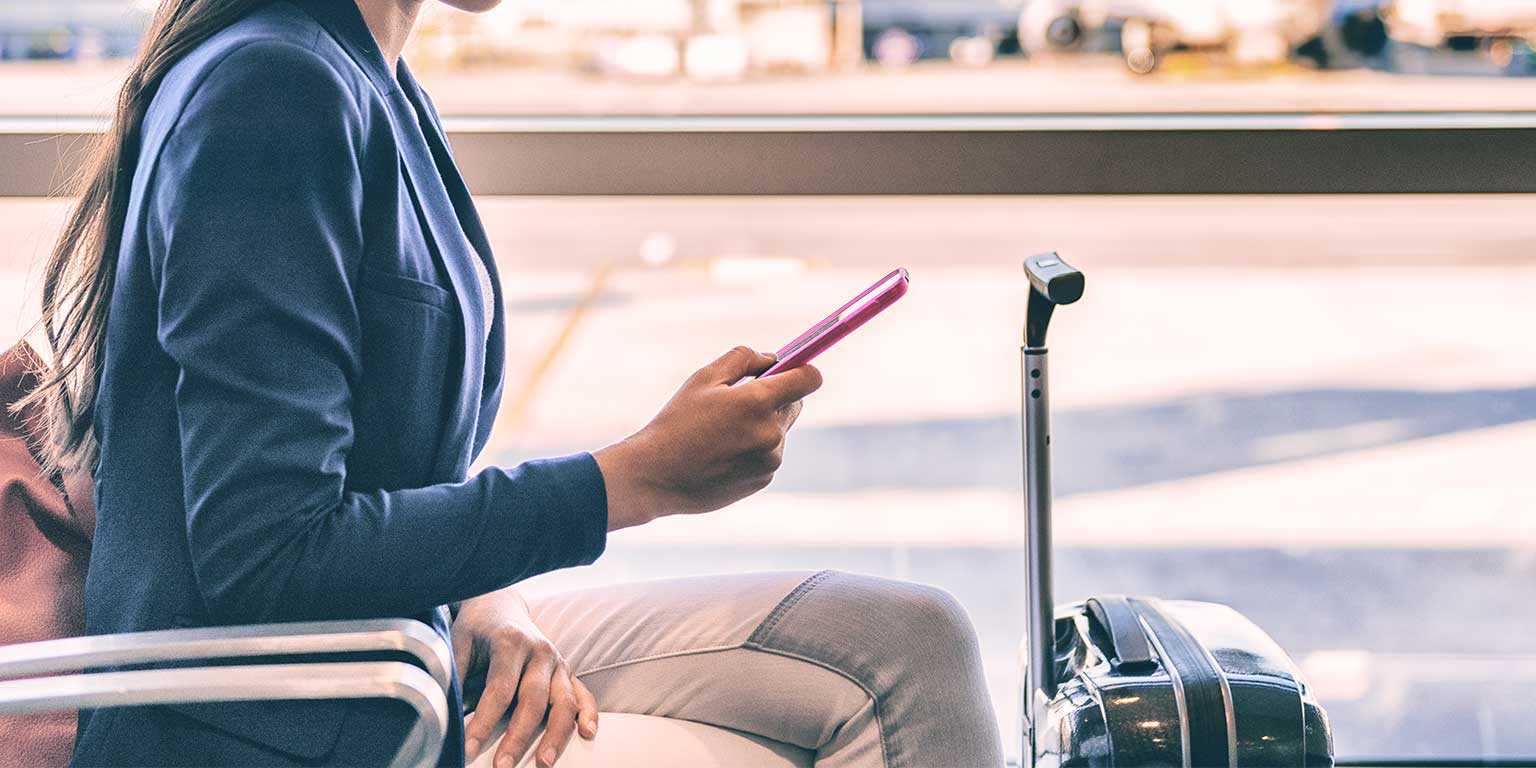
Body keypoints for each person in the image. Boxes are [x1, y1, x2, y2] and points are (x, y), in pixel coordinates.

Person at [20, 1, 1004, 765]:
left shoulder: (371, 78)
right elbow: (264, 554)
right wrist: (633, 480)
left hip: (395, 649)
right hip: (287, 723)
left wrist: (491, 600)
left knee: (906, 641)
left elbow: (376, 464)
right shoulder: (274, 91)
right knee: (870, 703)